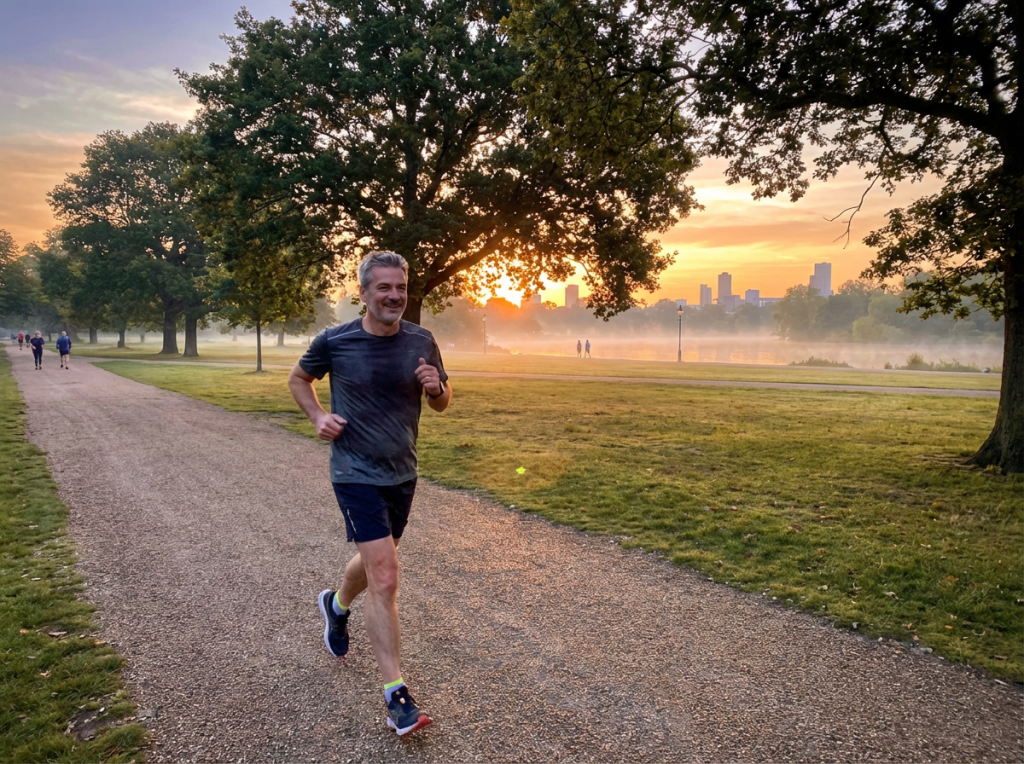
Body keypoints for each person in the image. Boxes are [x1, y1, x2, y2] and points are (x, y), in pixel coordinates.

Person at [288, 251, 451, 737]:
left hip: (403, 471)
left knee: (380, 560)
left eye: (400, 287)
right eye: (384, 288)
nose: (394, 296)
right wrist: (318, 417)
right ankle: (396, 696)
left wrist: (435, 386)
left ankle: (336, 606)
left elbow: (442, 404)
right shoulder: (336, 341)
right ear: (363, 292)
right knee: (386, 575)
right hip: (354, 471)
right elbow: (299, 378)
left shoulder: (421, 339)